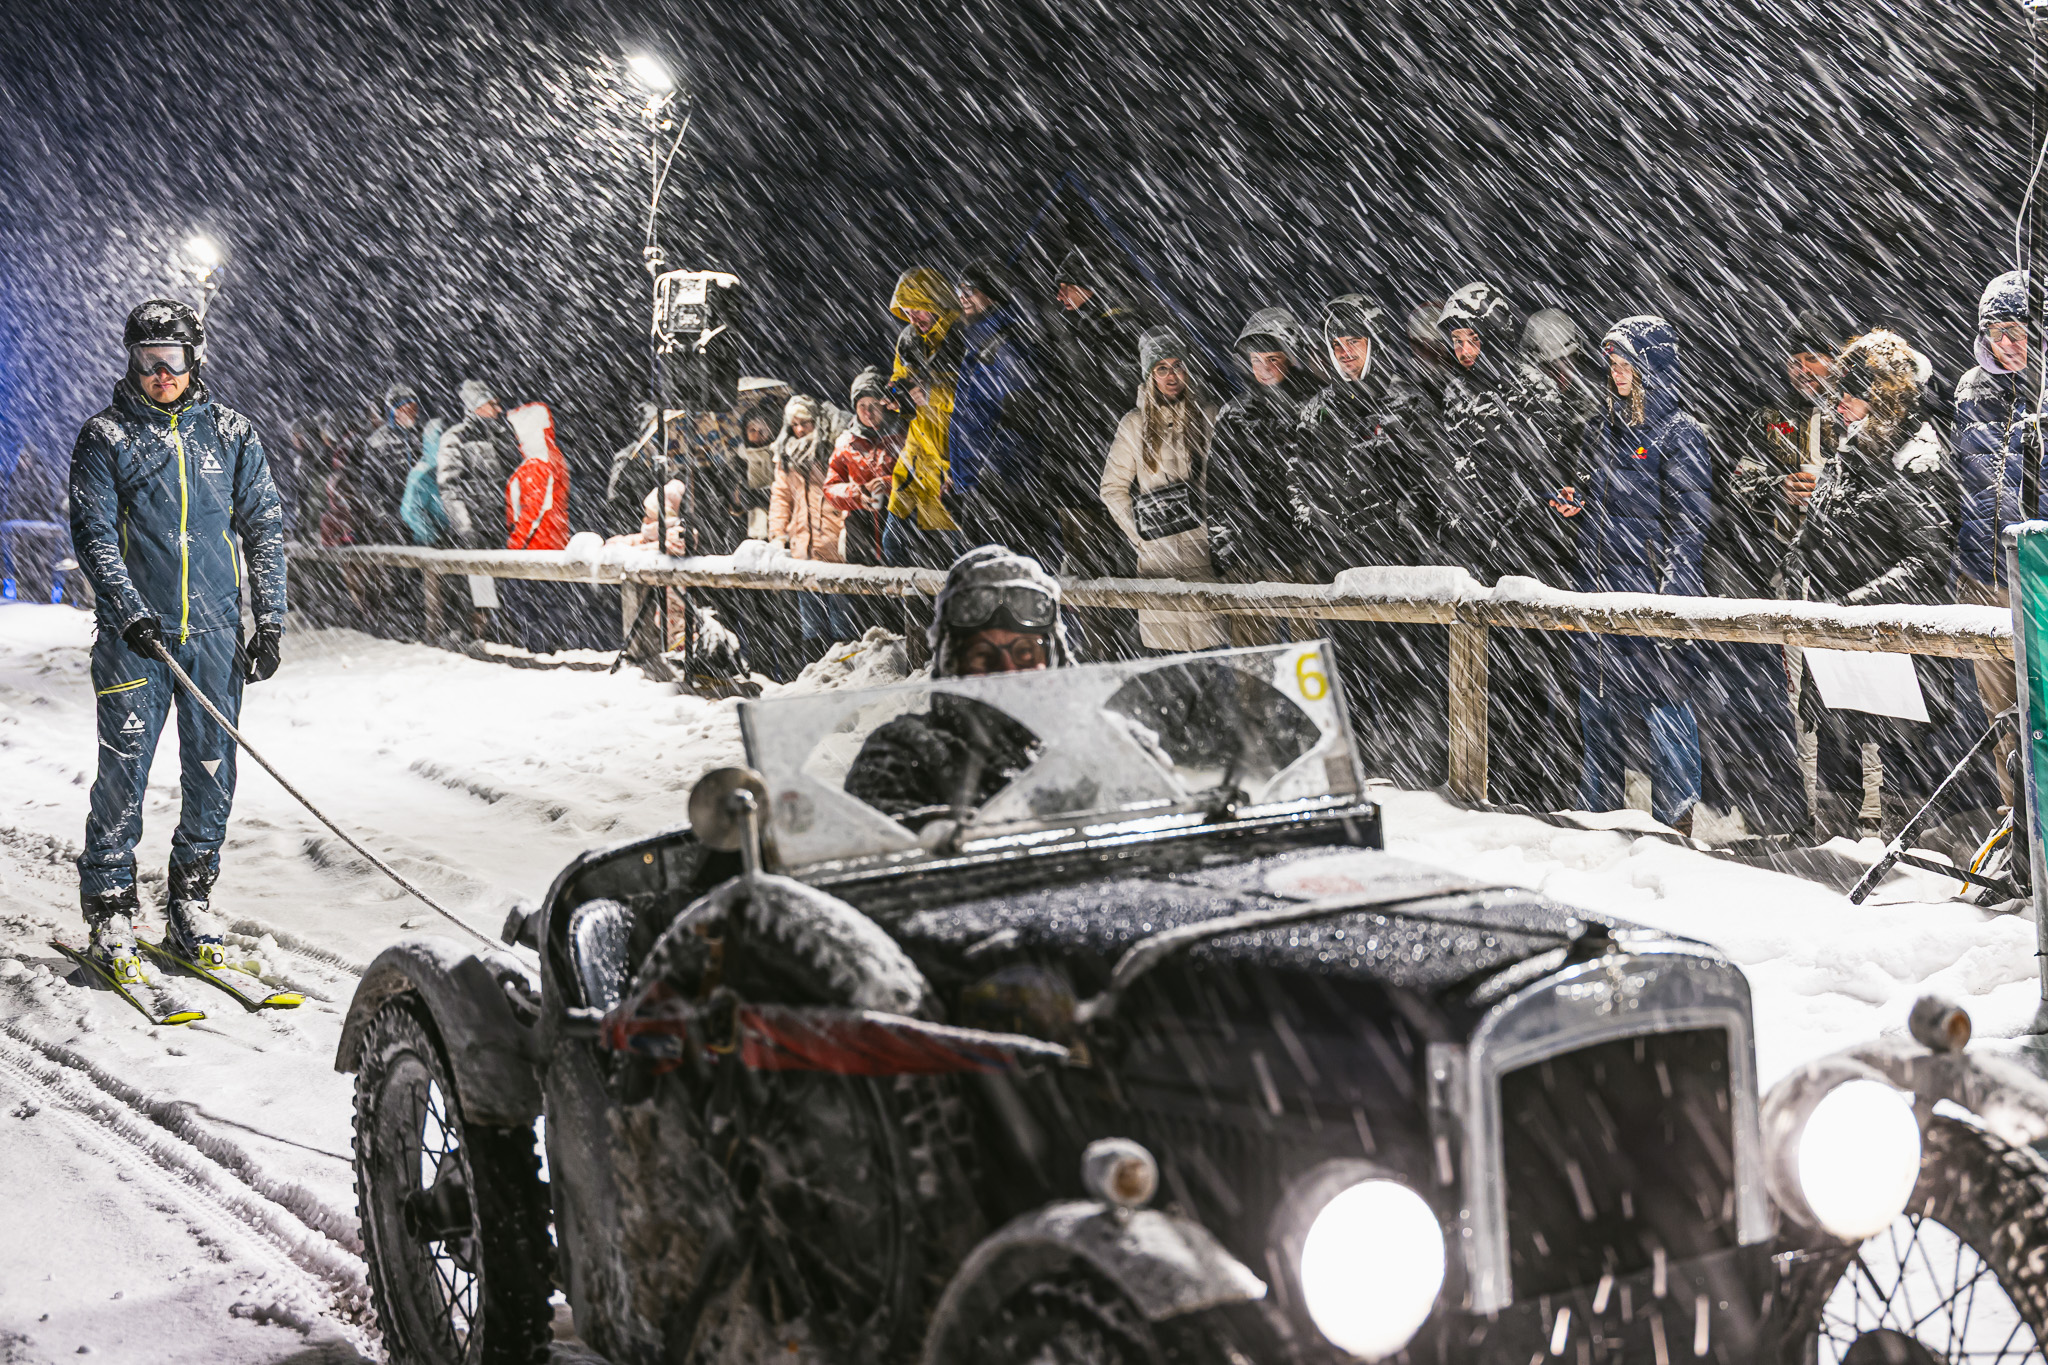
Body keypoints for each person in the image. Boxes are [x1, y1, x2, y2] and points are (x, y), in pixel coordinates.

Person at [67, 299, 286, 983]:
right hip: (136, 640)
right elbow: (95, 535)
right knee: (123, 774)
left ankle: (190, 901)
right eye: (147, 359)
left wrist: (270, 620)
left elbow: (264, 528)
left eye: (173, 359)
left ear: (195, 360)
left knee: (213, 773)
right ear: (131, 360)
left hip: (215, 639)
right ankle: (111, 907)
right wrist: (128, 610)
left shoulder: (231, 433)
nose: (161, 373)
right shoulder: (106, 437)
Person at [1787, 330, 1961, 836]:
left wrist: (1857, 603)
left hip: (1895, 630)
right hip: (1839, 624)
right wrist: (1800, 556)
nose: (1838, 403)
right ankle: (1833, 847)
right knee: (1837, 732)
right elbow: (1823, 521)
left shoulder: (1918, 456)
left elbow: (1927, 557)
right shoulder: (1852, 447)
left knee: (1904, 743)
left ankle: (1912, 846)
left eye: (1851, 393)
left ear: (1881, 396)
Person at [1434, 281, 1580, 811]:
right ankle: (1500, 791)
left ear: (1493, 336)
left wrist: (1539, 510)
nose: (1463, 350)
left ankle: (1553, 795)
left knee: (1545, 682)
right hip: (1479, 557)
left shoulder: (1532, 389)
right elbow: (1452, 471)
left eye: (1472, 339)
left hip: (1532, 556)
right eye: (1456, 341)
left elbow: (1552, 468)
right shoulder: (1455, 392)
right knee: (1490, 681)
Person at [1291, 293, 1445, 785]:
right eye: (1336, 345)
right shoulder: (1317, 410)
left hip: (1400, 567)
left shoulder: (1406, 401)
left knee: (1409, 678)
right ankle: (1355, 777)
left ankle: (1417, 779)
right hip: (1340, 567)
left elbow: (1432, 477)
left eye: (1354, 342)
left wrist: (1405, 524)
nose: (1345, 354)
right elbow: (1297, 478)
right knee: (1346, 677)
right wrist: (1316, 526)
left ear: (1374, 342)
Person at [1571, 316, 1712, 833]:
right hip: (1599, 592)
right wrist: (1572, 503)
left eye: (1627, 362)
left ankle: (1676, 825)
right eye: (1612, 362)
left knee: (1667, 709)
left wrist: (1672, 601)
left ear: (1653, 366)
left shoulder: (1681, 432)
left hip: (1649, 595)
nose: (1617, 372)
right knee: (1597, 707)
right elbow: (1600, 504)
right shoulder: (1603, 427)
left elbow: (1690, 524)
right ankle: (1597, 821)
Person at [842, 546, 1067, 826]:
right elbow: (875, 830)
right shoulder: (903, 751)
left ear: (1053, 660)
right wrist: (936, 831)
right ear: (953, 665)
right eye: (983, 655)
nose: (1008, 670)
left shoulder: (1086, 744)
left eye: (1024, 652)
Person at [1952, 270, 2043, 807]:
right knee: (2003, 716)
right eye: (1997, 331)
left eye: (2019, 331)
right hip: (1985, 574)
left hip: (2040, 574)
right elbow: (1967, 486)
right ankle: (2018, 829)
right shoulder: (1972, 388)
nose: (2007, 343)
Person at [1046, 246, 1147, 659]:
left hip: (1110, 476)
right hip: (1083, 473)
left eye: (1066, 287)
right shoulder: (1079, 331)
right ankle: (1102, 661)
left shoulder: (1118, 330)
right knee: (1090, 584)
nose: (1060, 297)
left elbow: (1113, 400)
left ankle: (1121, 662)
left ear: (1089, 287)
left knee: (1119, 580)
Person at [1099, 326, 1225, 654]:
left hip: (1204, 557)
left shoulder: (1210, 416)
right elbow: (1112, 488)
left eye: (1177, 366)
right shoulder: (1134, 424)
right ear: (1149, 375)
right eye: (1161, 368)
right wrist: (1141, 535)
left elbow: (1226, 483)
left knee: (1217, 661)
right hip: (1157, 562)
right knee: (1170, 669)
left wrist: (1214, 530)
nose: (1171, 376)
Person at [1204, 306, 1326, 647]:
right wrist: (1224, 547)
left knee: (1312, 657)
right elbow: (1217, 487)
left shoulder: (1317, 406)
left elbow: (1326, 481)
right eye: (1256, 360)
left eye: (1272, 358)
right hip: (1250, 556)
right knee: (1252, 659)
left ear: (1291, 358)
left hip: (1308, 557)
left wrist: (1321, 542)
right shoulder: (1235, 414)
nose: (1264, 368)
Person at [947, 259, 1053, 562]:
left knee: (1004, 574)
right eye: (959, 291)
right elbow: (969, 416)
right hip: (980, 482)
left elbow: (1021, 416)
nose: (963, 297)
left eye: (970, 290)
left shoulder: (1005, 343)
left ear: (991, 294)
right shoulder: (979, 344)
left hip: (1002, 484)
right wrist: (958, 472)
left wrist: (992, 478)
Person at [883, 267, 964, 569]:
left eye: (917, 309)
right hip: (916, 461)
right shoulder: (908, 340)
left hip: (954, 459)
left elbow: (978, 396)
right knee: (894, 549)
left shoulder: (962, 335)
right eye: (906, 311)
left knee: (956, 562)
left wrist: (932, 395)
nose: (912, 318)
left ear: (935, 301)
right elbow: (900, 378)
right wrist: (895, 395)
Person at [768, 394, 856, 668]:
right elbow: (781, 497)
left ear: (816, 421)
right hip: (802, 547)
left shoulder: (831, 448)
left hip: (833, 542)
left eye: (804, 422)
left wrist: (847, 529)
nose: (799, 429)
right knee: (811, 623)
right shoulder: (786, 455)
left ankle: (846, 672)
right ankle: (817, 672)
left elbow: (847, 490)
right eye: (794, 424)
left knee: (841, 618)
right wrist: (777, 535)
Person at [438, 379, 520, 551]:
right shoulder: (455, 438)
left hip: (503, 529)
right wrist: (465, 528)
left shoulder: (502, 436)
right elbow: (449, 488)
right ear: (477, 406)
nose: (499, 409)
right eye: (492, 404)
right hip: (477, 532)